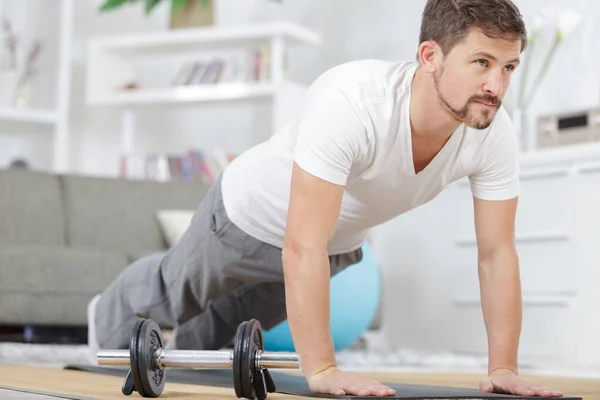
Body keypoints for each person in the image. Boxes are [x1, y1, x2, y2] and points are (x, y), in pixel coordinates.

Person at [87, 0, 564, 397]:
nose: (496, 87)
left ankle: (168, 366)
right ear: (430, 55)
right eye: (481, 62)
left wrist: (503, 367)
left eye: (508, 67)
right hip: (244, 217)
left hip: (331, 249)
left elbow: (497, 254)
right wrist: (322, 370)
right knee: (172, 294)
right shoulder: (354, 101)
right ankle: (98, 332)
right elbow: (301, 243)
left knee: (221, 330)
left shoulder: (493, 133)